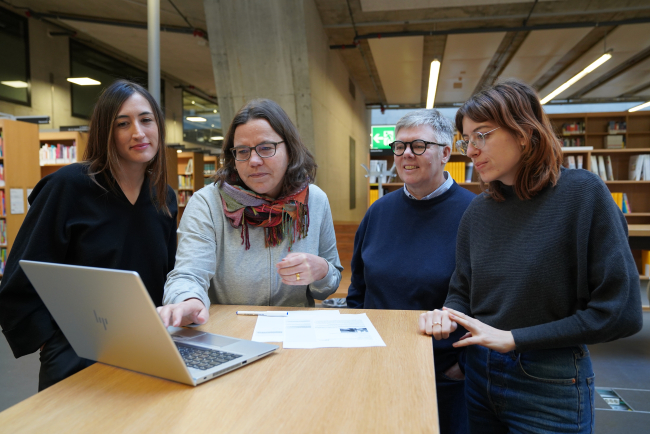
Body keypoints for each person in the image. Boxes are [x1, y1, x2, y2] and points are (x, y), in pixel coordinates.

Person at [419, 79, 643, 434]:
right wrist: (446, 316)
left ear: (523, 133)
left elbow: (620, 313)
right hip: (479, 374)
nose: (471, 150)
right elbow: (462, 290)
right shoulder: (478, 211)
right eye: (466, 139)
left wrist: (515, 338)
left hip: (549, 382)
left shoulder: (583, 195)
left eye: (482, 135)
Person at [0, 79, 178, 391]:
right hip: (76, 354)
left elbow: (166, 275)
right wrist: (51, 343)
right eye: (123, 124)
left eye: (146, 119)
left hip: (146, 350)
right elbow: (21, 273)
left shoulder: (164, 197)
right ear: (105, 133)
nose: (138, 132)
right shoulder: (68, 187)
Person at [158, 99, 342, 327]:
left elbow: (329, 287)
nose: (253, 161)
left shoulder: (314, 200)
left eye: (266, 148)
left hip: (295, 334)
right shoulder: (207, 203)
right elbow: (188, 274)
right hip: (229, 333)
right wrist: (188, 299)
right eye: (243, 151)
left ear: (290, 149)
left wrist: (322, 271)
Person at [347, 109, 475, 434]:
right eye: (399, 146)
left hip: (442, 374)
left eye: (418, 145)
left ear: (446, 152)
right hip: (375, 364)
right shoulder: (378, 211)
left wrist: (461, 367)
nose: (406, 154)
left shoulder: (475, 215)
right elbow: (358, 290)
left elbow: (489, 301)